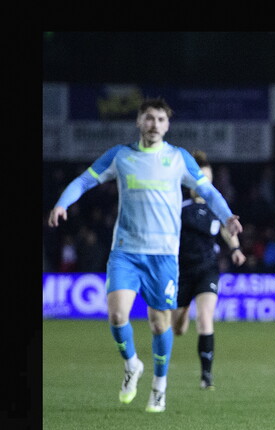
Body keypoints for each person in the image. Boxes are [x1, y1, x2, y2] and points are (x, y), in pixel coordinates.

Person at [47, 98, 243, 412]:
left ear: (167, 125)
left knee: (158, 324)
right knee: (116, 315)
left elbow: (207, 191)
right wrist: (62, 203)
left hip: (163, 256)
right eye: (149, 118)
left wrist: (228, 216)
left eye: (160, 120)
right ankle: (131, 365)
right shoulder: (120, 156)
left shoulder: (178, 158)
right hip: (126, 251)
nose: (154, 124)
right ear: (140, 121)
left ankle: (159, 386)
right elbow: (85, 179)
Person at [171, 150, 247, 390]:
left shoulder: (216, 207)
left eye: (207, 180)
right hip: (182, 270)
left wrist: (235, 249)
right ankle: (182, 312)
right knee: (179, 328)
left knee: (205, 320)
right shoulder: (178, 206)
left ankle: (206, 377)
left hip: (207, 269)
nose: (203, 184)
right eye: (199, 179)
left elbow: (227, 229)